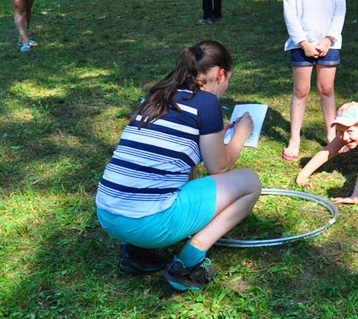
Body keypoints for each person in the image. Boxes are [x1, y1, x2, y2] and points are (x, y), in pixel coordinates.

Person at [95, 40, 261, 291]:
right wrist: (241, 135)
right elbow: (219, 168)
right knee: (250, 182)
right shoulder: (207, 103)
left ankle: (136, 255)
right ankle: (188, 266)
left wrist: (216, 135)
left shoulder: (155, 96)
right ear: (220, 74)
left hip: (107, 214)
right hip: (148, 224)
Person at [282, 0, 346, 162]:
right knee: (301, 90)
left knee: (326, 89)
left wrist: (329, 39)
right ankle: (294, 138)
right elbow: (290, 14)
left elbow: (339, 8)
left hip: (329, 42)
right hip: (301, 44)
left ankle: (332, 137)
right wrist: (304, 43)